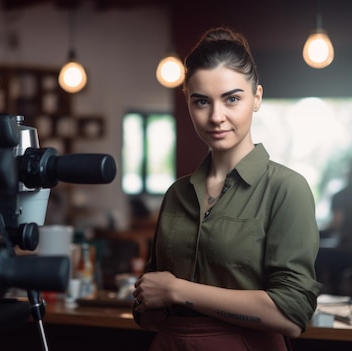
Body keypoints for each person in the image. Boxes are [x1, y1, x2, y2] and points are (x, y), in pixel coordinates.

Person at [131, 27, 322, 350]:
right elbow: (151, 300)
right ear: (188, 103)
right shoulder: (177, 194)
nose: (216, 116)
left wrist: (179, 291)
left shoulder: (287, 189)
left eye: (232, 99)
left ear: (257, 97)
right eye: (201, 101)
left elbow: (292, 315)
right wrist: (148, 301)